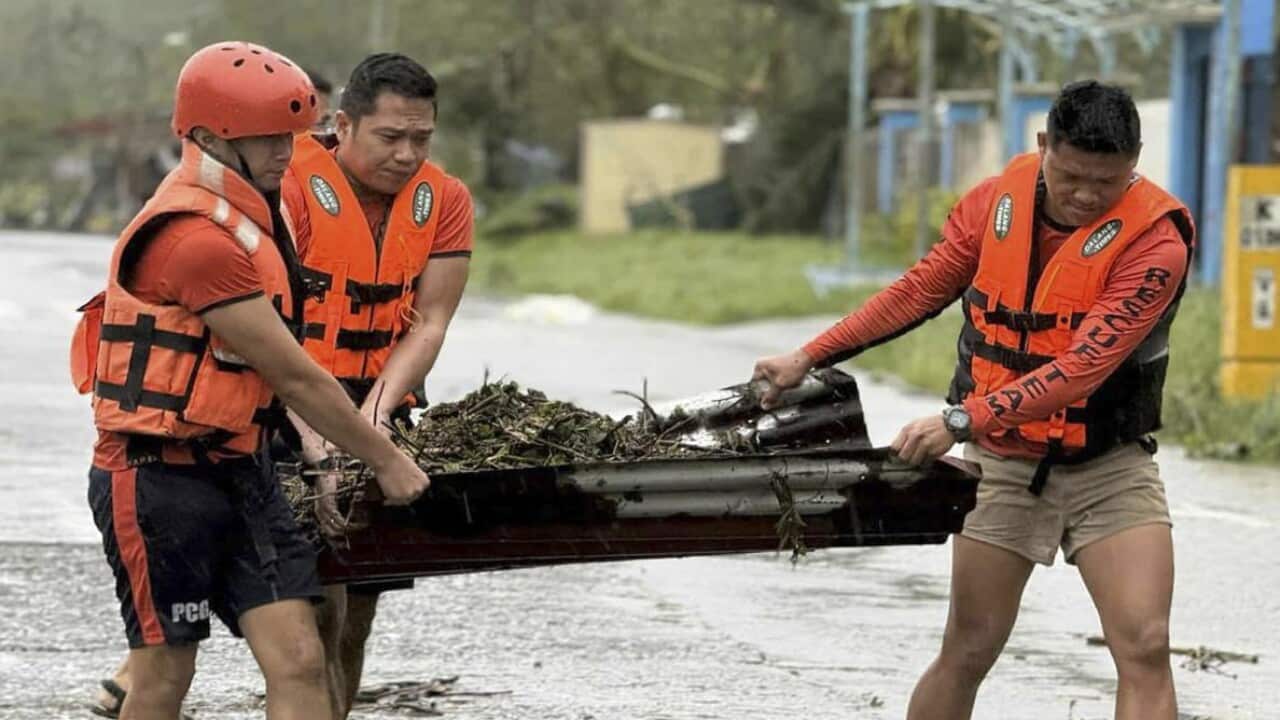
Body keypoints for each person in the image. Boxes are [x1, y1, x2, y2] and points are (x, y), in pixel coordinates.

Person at [753, 81, 1193, 720]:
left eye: (1108, 181)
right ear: (1044, 146)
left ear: (1136, 161)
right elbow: (916, 292)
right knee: (968, 648)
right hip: (1005, 467)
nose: (1087, 196)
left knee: (1146, 645)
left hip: (1109, 469)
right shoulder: (994, 206)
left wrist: (959, 419)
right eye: (1071, 176)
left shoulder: (1157, 243)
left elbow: (1081, 368)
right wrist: (808, 355)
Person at [73, 41, 430, 720]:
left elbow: (266, 381)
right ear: (208, 138)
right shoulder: (195, 240)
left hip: (243, 469)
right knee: (164, 673)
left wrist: (318, 452)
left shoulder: (256, 218)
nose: (285, 153)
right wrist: (386, 459)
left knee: (299, 657)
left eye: (291, 137)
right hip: (156, 479)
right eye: (266, 139)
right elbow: (294, 375)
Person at [279, 52, 474, 718]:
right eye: (391, 137)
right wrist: (323, 439)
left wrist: (374, 426)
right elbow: (263, 333)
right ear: (344, 125)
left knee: (357, 610)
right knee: (315, 610)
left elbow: (431, 322)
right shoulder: (292, 185)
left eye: (421, 138)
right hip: (288, 400)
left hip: (380, 402)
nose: (407, 154)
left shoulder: (444, 200)